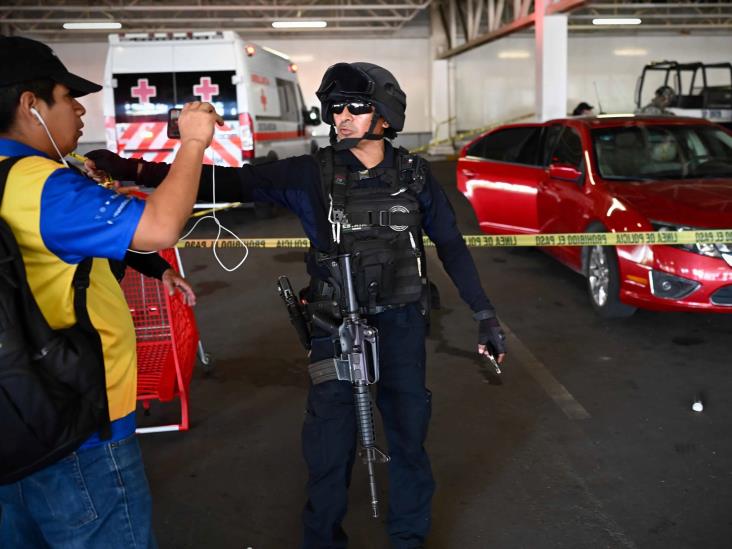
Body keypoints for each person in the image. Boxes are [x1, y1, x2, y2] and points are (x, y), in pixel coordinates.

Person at [89, 61, 507, 549]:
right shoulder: (311, 174)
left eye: (356, 107)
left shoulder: (415, 176)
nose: (342, 117)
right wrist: (132, 169)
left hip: (401, 324)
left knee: (409, 435)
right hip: (334, 327)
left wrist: (484, 314)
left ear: (386, 117)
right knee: (329, 446)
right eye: (335, 109)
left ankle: (409, 536)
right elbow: (227, 183)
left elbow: (452, 246)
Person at [0, 35, 219, 548]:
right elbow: (162, 225)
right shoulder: (41, 183)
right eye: (66, 96)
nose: (79, 109)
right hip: (77, 420)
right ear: (30, 105)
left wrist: (151, 267)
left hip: (11, 410)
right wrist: (192, 142)